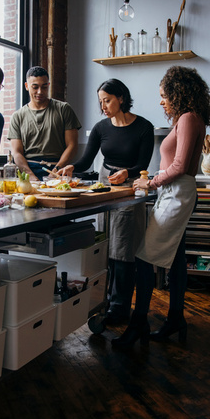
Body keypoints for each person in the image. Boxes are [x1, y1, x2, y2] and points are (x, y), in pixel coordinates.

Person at [112, 66, 210, 348]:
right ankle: (176, 318)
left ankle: (138, 323)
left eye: (163, 94)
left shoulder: (189, 118)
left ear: (178, 92)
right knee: (177, 258)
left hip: (177, 194)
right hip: (174, 192)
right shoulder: (187, 118)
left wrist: (151, 183)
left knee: (144, 259)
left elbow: (179, 166)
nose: (161, 100)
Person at [59, 79, 154, 325]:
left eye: (107, 100)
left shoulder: (144, 127)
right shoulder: (101, 128)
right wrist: (71, 167)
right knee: (105, 245)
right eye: (100, 101)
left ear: (121, 98)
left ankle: (120, 307)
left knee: (123, 248)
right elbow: (85, 161)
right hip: (104, 187)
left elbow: (143, 165)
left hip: (130, 188)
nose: (103, 106)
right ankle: (103, 300)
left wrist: (128, 173)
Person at [8, 66, 81, 180]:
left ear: (49, 85)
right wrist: (31, 177)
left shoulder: (64, 109)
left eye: (44, 87)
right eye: (35, 87)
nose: (40, 92)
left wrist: (56, 171)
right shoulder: (17, 116)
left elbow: (72, 146)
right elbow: (16, 152)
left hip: (58, 169)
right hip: (28, 170)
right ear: (27, 86)